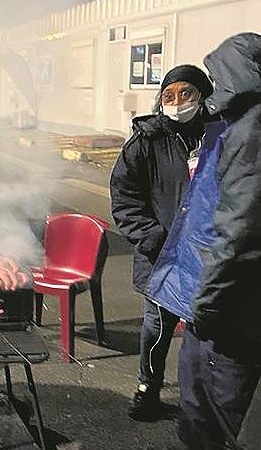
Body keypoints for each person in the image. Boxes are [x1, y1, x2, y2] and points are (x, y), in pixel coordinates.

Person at [148, 33, 261, 448]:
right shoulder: (233, 126)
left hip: (229, 315)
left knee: (218, 419)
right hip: (218, 302)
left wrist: (207, 306)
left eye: (215, 74)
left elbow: (240, 234)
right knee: (201, 414)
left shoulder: (252, 132)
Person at [109, 64, 213, 421]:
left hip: (209, 255)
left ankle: (202, 400)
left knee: (205, 330)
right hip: (163, 254)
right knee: (158, 324)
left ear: (203, 96)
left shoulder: (219, 138)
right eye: (169, 95)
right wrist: (152, 238)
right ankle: (147, 388)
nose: (177, 101)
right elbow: (124, 196)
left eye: (186, 94)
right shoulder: (146, 141)